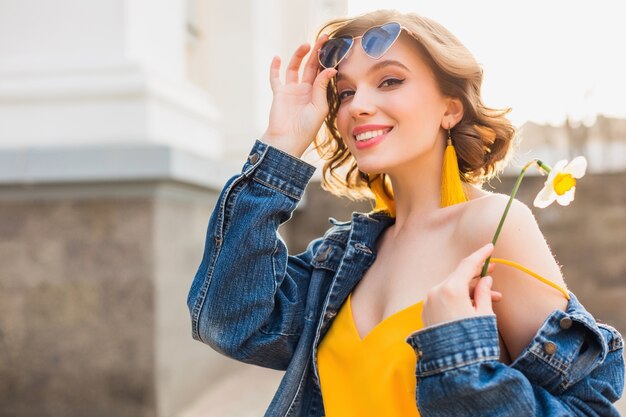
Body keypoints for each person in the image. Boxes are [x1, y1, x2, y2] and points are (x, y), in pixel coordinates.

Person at [187, 9, 624, 416]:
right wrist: (282, 143)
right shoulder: (343, 257)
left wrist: (457, 360)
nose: (357, 105)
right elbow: (228, 323)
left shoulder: (493, 228)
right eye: (345, 92)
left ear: (450, 108)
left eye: (390, 81)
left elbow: (589, 408)